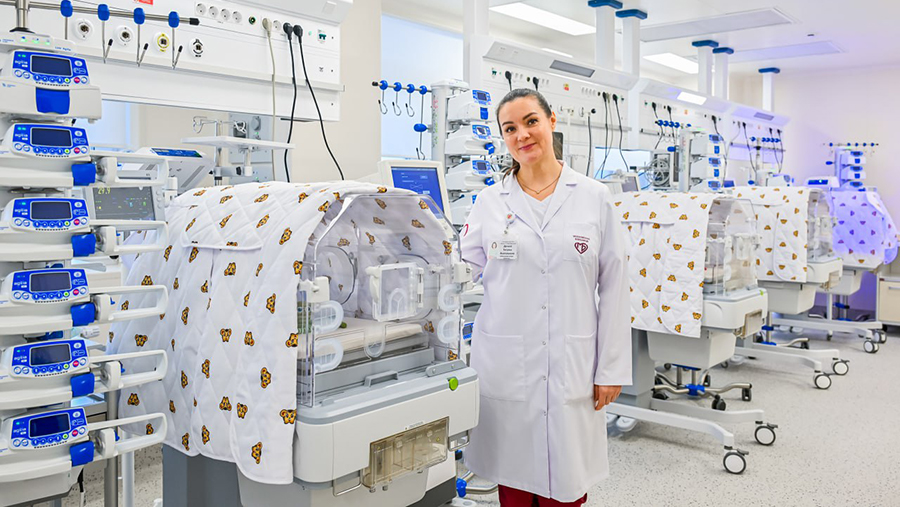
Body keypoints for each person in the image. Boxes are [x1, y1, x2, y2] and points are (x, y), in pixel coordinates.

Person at [460, 88, 632, 506]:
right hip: (507, 363)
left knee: (568, 485)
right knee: (513, 482)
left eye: (531, 121)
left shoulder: (593, 197)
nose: (522, 135)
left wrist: (610, 368)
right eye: (510, 128)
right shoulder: (489, 202)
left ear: (551, 121)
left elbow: (614, 284)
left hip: (572, 362)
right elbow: (461, 269)